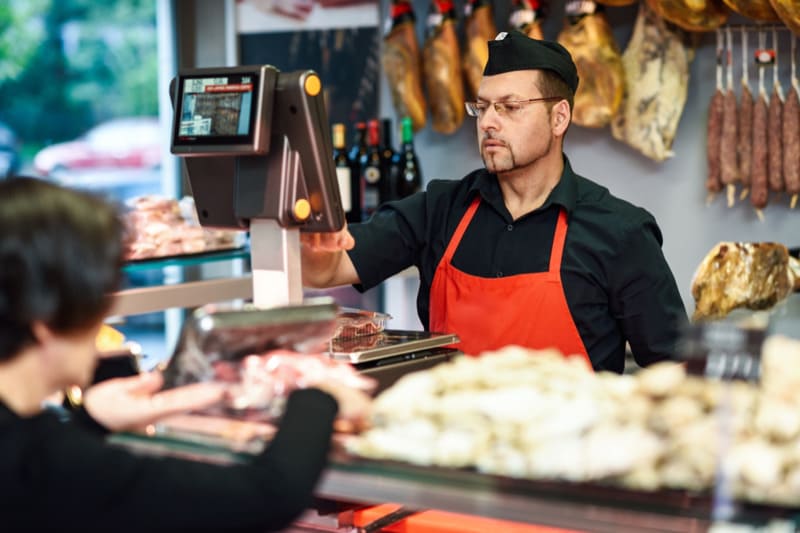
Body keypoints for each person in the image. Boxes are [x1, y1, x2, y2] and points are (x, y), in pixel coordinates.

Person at [302, 31, 688, 373]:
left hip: (567, 451)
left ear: (559, 118)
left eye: (509, 107)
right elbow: (324, 271)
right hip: (449, 445)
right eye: (482, 106)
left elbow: (676, 374)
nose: (488, 121)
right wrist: (309, 237)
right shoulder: (439, 209)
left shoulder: (620, 232)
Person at [0, 176, 369, 531]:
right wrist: (320, 396)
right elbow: (265, 494)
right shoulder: (45, 463)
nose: (104, 326)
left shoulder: (29, 447)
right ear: (44, 320)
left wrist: (92, 420)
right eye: (96, 305)